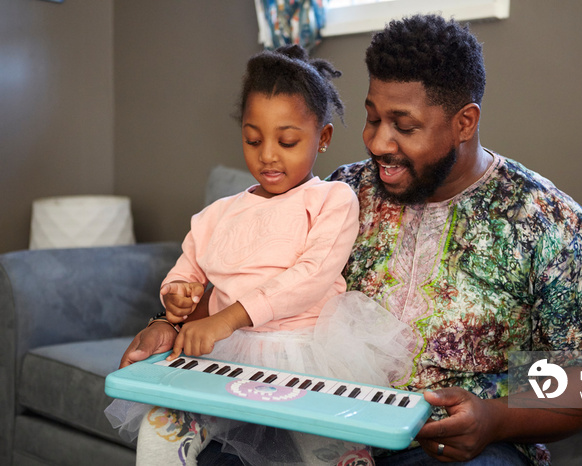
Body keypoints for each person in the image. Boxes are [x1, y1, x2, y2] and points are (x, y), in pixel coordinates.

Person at [119, 15, 582, 466]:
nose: (378, 142)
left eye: (403, 126)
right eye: (371, 117)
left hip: (450, 448)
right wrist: (169, 320)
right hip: (318, 418)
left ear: (464, 122)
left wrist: (495, 419)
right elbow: (251, 277)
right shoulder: (342, 190)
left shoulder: (549, 224)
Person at [106, 44, 413, 466]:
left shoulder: (331, 199)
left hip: (306, 356)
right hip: (227, 353)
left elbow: (312, 275)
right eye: (253, 139)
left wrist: (226, 318)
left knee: (334, 448)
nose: (267, 154)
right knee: (159, 427)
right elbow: (188, 268)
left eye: (287, 141)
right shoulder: (217, 213)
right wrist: (175, 297)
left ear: (322, 138)